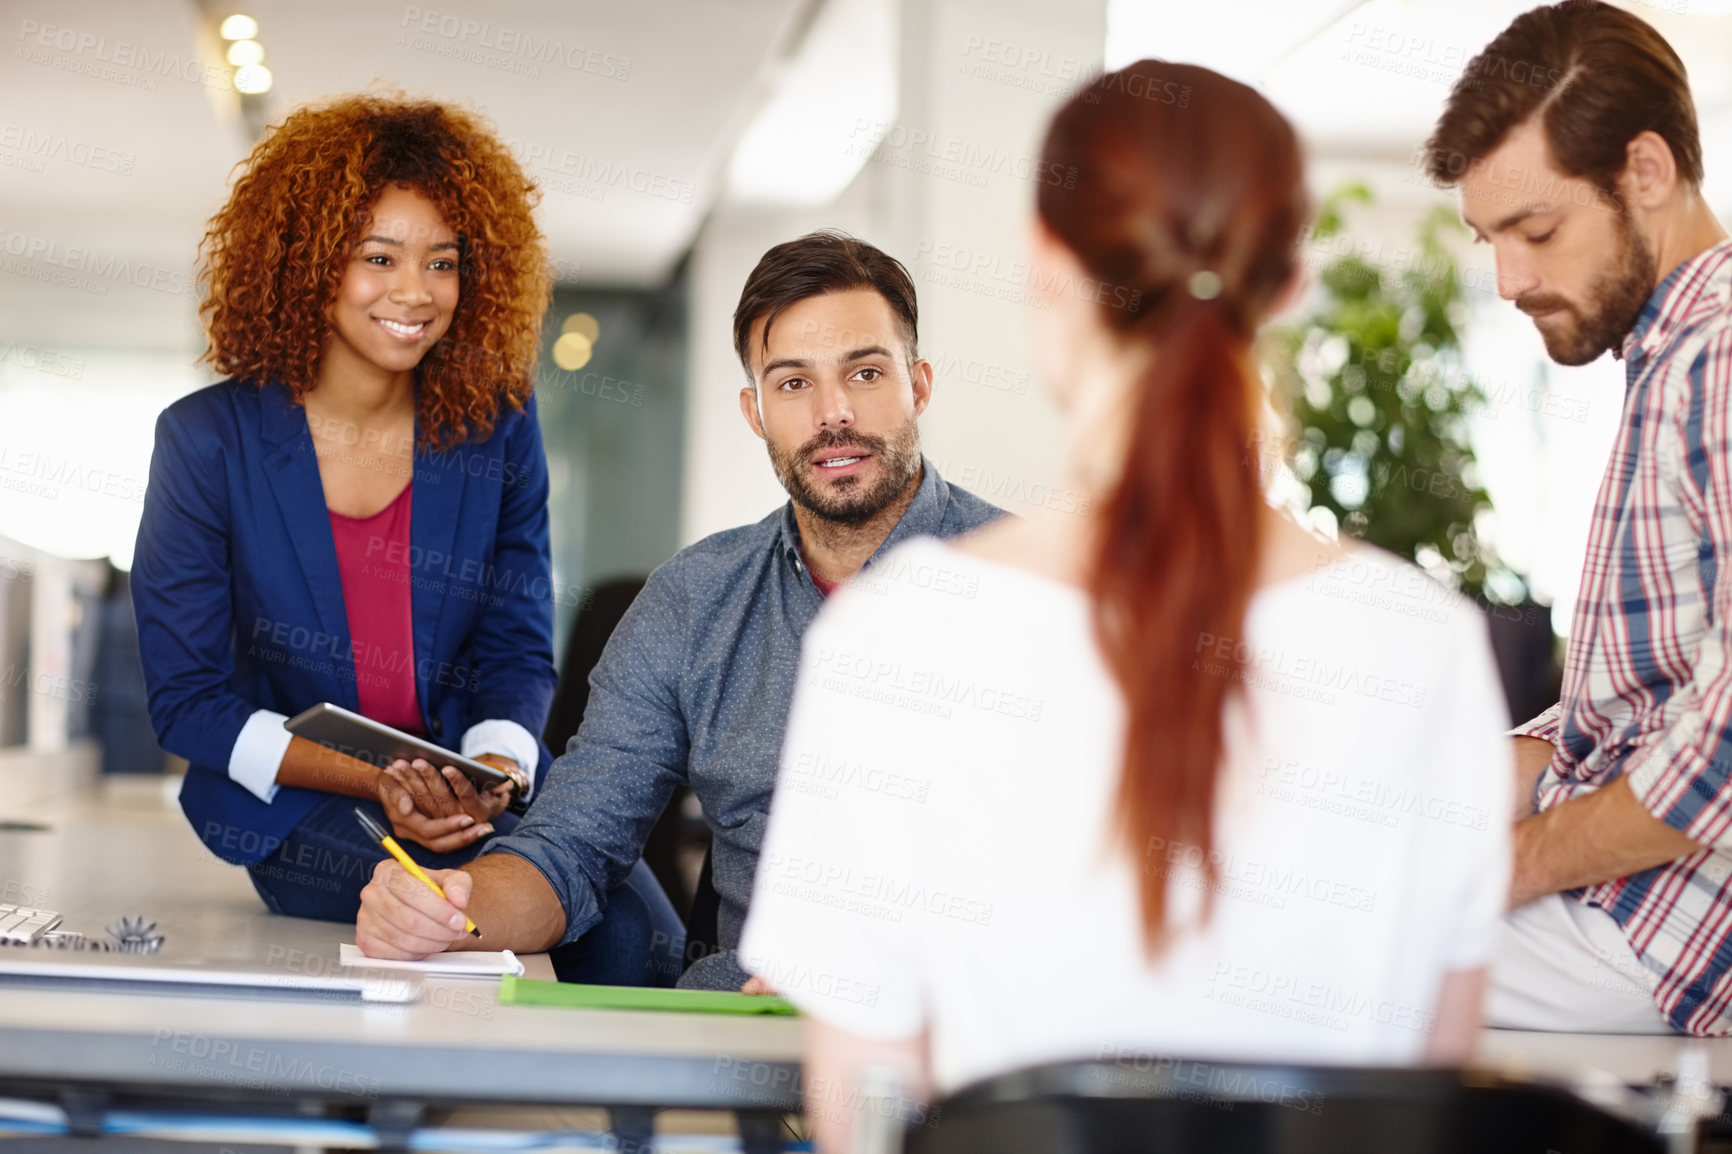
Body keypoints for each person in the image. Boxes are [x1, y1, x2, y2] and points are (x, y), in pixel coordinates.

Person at [737, 63, 1513, 1148]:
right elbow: (1426, 1088)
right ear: (1286, 283)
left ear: (1047, 269)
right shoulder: (1427, 650)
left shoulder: (895, 635)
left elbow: (869, 1104)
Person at [353, 231, 1005, 990]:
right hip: (745, 1037)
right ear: (754, 411)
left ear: (918, 386)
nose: (834, 414)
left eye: (864, 373)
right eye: (792, 384)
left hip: (967, 1036)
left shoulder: (1035, 588)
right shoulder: (693, 600)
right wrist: (449, 906)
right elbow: (571, 848)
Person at [133, 96, 678, 982]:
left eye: (442, 262)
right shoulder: (208, 442)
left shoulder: (494, 427)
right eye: (377, 257)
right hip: (301, 807)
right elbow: (189, 701)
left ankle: (636, 1123)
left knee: (637, 931)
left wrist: (492, 769)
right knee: (565, 930)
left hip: (468, 787)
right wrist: (383, 784)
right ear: (307, 265)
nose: (414, 292)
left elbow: (514, 645)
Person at [1424, 1, 1732, 1035]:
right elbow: (1656, 694)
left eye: (1537, 230)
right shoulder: (1669, 358)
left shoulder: (1720, 360)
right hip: (1630, 903)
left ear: (1645, 173)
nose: (1509, 279)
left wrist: (1496, 866)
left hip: (1670, 931)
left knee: (1283, 971)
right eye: (1489, 239)